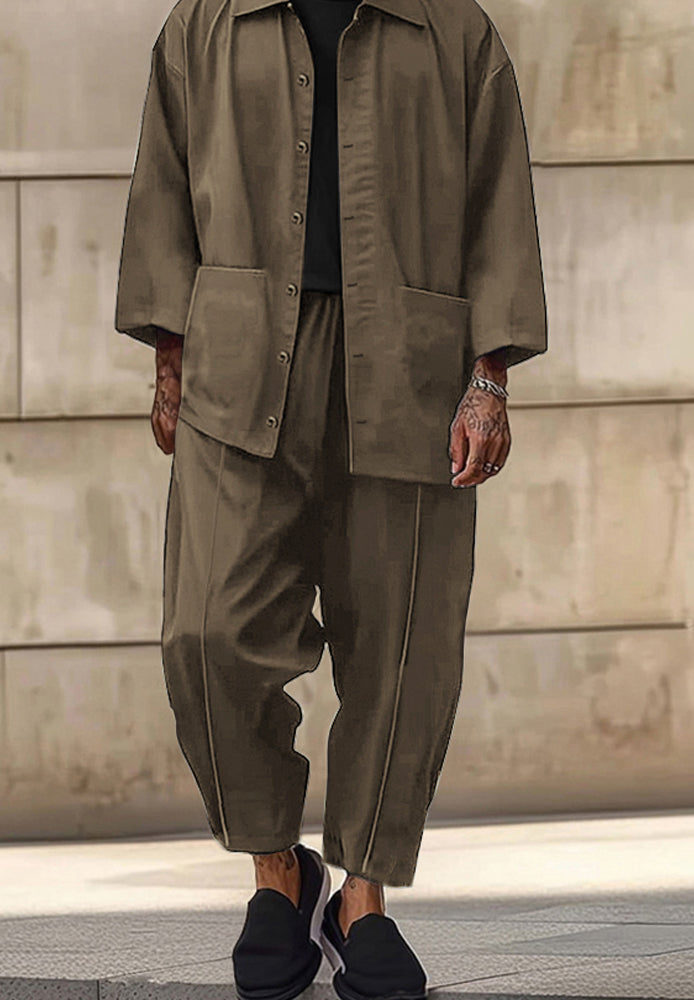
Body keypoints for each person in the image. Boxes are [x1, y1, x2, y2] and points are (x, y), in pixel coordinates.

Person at [115, 0, 548, 995]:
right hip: (237, 363)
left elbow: (499, 200)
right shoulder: (205, 22)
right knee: (208, 634)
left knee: (402, 645)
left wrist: (490, 378)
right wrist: (169, 359)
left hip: (409, 366)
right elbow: (163, 186)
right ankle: (280, 869)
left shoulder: (453, 30)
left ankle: (362, 898)